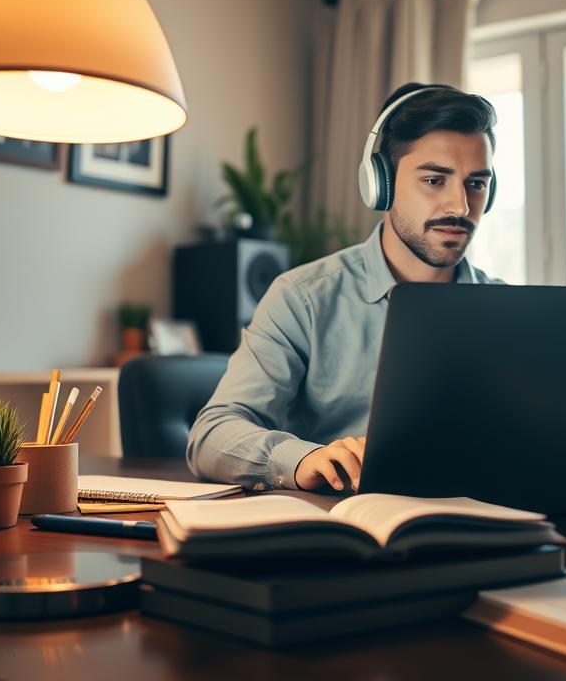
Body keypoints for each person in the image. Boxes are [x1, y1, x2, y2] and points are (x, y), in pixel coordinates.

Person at [186, 83, 502, 492]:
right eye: (434, 180)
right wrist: (302, 459)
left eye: (476, 184)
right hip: (345, 531)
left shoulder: (507, 309)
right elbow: (210, 436)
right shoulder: (302, 297)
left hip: (480, 526)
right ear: (380, 185)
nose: (460, 206)